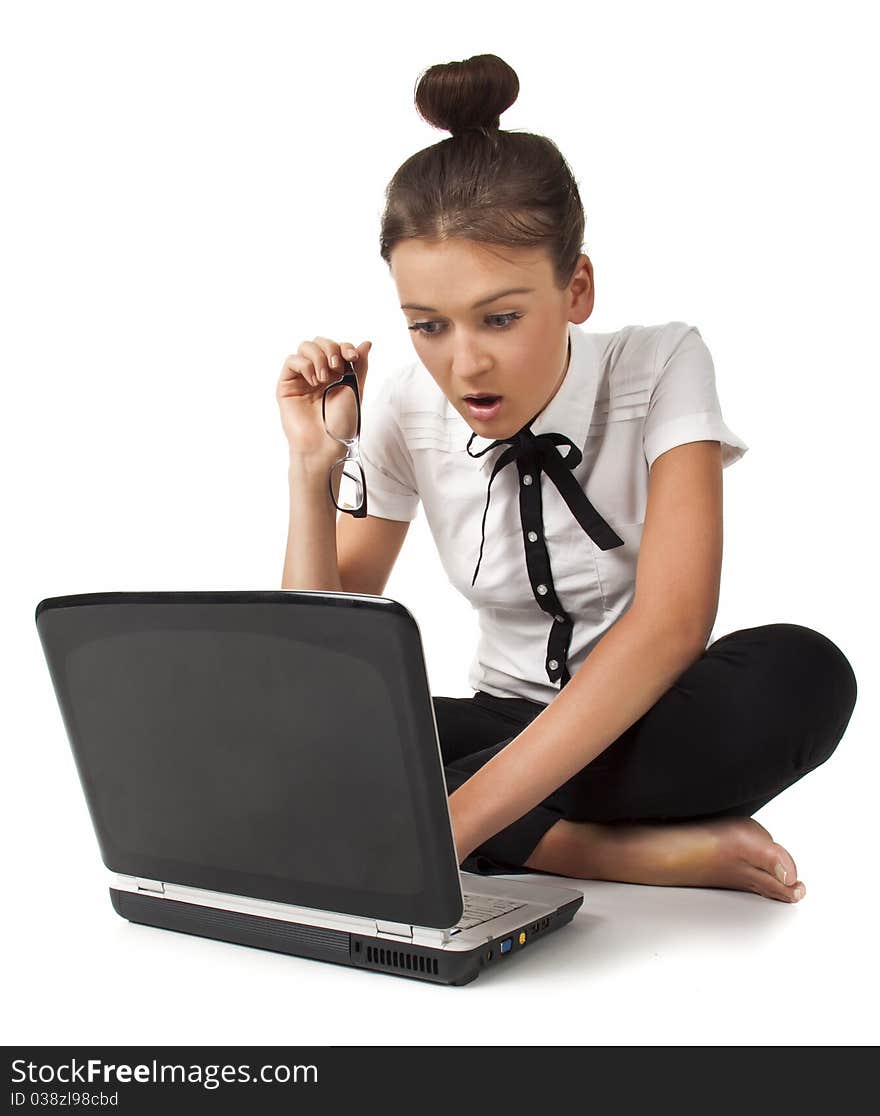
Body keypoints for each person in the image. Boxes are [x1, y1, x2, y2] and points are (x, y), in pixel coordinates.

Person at [277, 54, 857, 904]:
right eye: (429, 326)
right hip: (505, 723)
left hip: (649, 721)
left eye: (502, 317)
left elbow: (671, 627)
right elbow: (313, 670)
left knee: (804, 674)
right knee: (300, 736)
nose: (465, 363)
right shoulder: (403, 405)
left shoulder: (661, 364)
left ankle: (491, 820)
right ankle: (624, 852)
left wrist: (450, 827)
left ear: (576, 287)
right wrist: (310, 467)